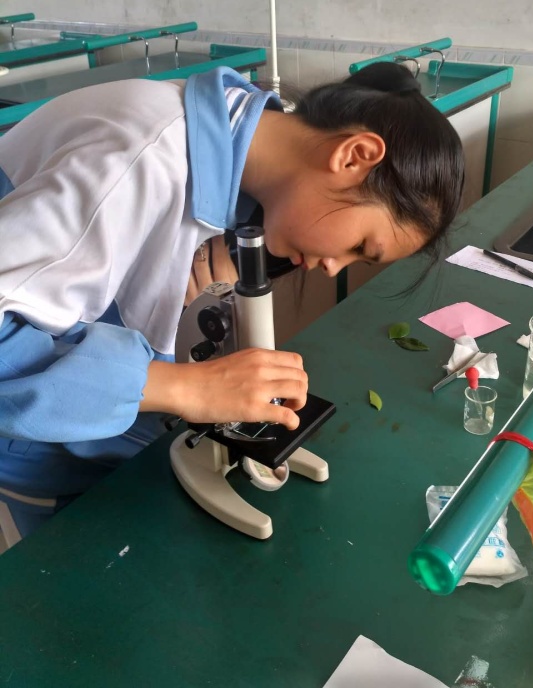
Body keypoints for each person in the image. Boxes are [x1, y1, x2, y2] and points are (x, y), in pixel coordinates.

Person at [0, 62, 463, 546]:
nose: (333, 268)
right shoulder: (136, 157)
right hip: (44, 458)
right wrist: (188, 388)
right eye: (360, 247)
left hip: (117, 440)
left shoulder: (242, 145)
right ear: (354, 156)